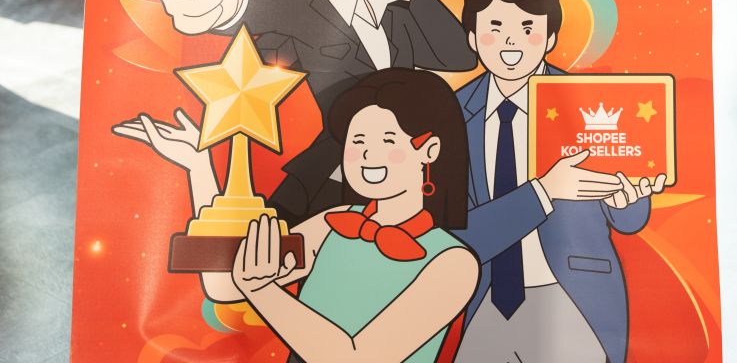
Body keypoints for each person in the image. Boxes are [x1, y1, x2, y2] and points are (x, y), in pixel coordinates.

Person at [104, 0, 475, 221]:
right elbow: (260, 3)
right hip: (331, 176)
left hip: (402, 180)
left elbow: (460, 57)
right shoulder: (301, 8)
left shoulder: (399, 13)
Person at [117, 68, 479, 363]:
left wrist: (262, 291)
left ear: (429, 149)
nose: (369, 155)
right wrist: (199, 169)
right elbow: (226, 283)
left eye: (387, 141)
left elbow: (357, 358)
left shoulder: (453, 263)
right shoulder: (334, 223)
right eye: (358, 142)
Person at [452, 0, 667, 363]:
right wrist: (543, 192)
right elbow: (454, 231)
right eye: (495, 26)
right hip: (484, 298)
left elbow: (629, 220)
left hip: (572, 295)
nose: (510, 41)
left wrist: (625, 198)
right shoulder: (452, 114)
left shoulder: (587, 104)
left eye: (527, 27)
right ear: (472, 37)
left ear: (550, 37)